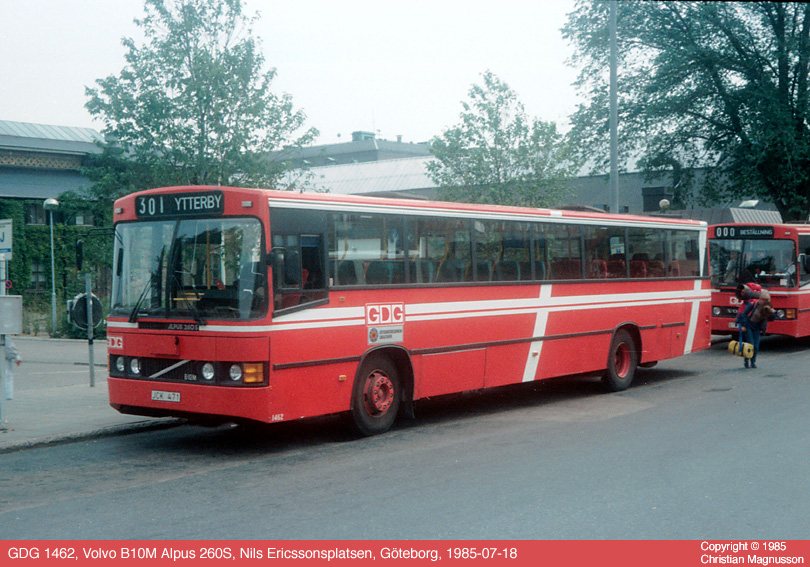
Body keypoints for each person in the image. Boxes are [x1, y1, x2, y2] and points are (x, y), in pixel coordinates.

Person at [735, 284, 772, 369]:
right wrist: (743, 326)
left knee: (756, 346)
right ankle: (747, 360)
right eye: (763, 300)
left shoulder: (766, 307)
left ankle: (753, 361)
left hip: (757, 327)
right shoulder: (752, 305)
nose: (764, 302)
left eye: (766, 300)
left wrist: (771, 312)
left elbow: (771, 318)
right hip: (749, 326)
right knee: (750, 345)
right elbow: (744, 315)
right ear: (760, 299)